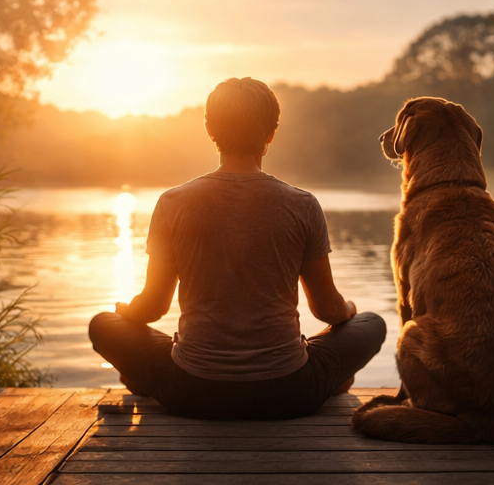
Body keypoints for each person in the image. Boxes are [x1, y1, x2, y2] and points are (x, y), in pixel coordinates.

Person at [88, 77, 386, 420]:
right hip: (289, 391)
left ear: (209, 129)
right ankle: (329, 379)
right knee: (372, 323)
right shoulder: (303, 205)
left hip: (190, 390)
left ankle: (147, 377)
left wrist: (127, 314)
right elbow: (327, 310)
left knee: (103, 324)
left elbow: (153, 307)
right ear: (271, 133)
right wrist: (348, 309)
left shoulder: (172, 203)